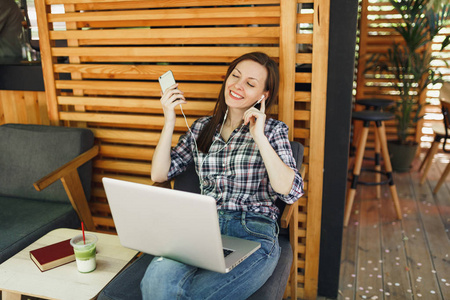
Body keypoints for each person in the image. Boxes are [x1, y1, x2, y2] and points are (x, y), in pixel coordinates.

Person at [142, 52, 304, 300]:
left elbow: (290, 191)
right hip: (200, 228)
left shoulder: (273, 130)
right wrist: (169, 120)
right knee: (156, 281)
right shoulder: (201, 128)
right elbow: (160, 172)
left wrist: (259, 137)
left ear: (264, 95)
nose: (237, 85)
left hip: (251, 231)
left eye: (250, 83)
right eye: (235, 76)